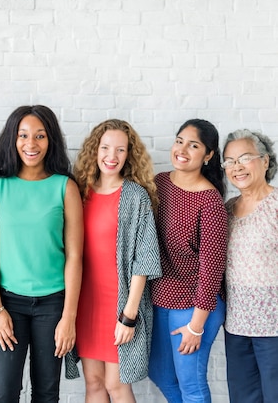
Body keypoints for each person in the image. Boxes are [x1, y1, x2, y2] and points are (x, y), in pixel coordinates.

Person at [0, 105, 83, 402]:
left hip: (53, 305)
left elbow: (75, 256)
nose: (31, 144)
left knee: (47, 393)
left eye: (40, 136)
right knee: (4, 392)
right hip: (8, 302)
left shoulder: (65, 187)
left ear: (51, 141)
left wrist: (68, 317)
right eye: (23, 135)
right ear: (13, 139)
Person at [73, 119, 161, 402]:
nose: (112, 157)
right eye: (106, 148)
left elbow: (144, 260)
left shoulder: (135, 196)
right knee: (94, 384)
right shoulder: (78, 192)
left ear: (129, 155)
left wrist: (129, 316)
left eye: (120, 150)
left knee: (117, 385)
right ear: (94, 149)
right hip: (85, 303)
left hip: (120, 304)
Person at [148, 119, 228, 403]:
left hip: (196, 304)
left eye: (193, 145)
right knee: (160, 375)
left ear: (208, 155)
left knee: (191, 385)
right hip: (161, 298)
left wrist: (196, 326)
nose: (182, 149)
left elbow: (212, 269)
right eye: (179, 140)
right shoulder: (159, 183)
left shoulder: (210, 202)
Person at [221, 129, 278, 403]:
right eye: (229, 161)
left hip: (274, 328)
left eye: (245, 158)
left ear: (265, 161)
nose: (236, 167)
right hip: (237, 326)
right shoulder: (228, 209)